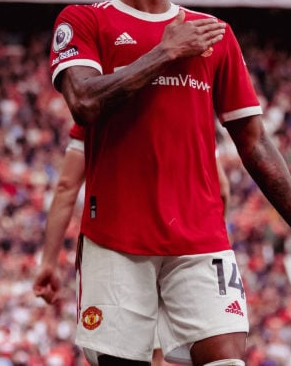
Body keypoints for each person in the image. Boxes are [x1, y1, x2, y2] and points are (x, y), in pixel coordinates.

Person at [47, 0, 291, 366]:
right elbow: (84, 101)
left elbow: (254, 141)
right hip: (116, 237)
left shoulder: (213, 34)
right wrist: (164, 53)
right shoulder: (84, 21)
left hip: (202, 237)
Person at [33, 124, 231, 366]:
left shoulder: (98, 108)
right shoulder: (188, 109)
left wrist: (49, 262)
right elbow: (221, 189)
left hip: (122, 250)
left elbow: (67, 187)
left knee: (123, 353)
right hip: (183, 249)